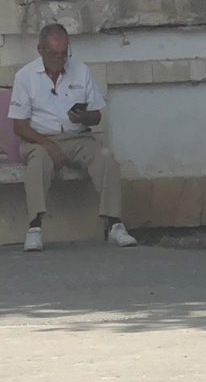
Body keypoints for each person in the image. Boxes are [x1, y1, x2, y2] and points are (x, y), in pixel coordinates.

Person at [9, 24, 138, 252]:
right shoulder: (25, 76)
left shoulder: (81, 71)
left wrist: (84, 116)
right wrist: (47, 144)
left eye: (64, 53)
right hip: (39, 139)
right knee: (38, 163)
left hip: (77, 137)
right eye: (54, 54)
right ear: (41, 50)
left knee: (105, 158)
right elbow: (19, 125)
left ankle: (115, 224)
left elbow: (96, 116)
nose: (60, 59)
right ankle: (35, 227)